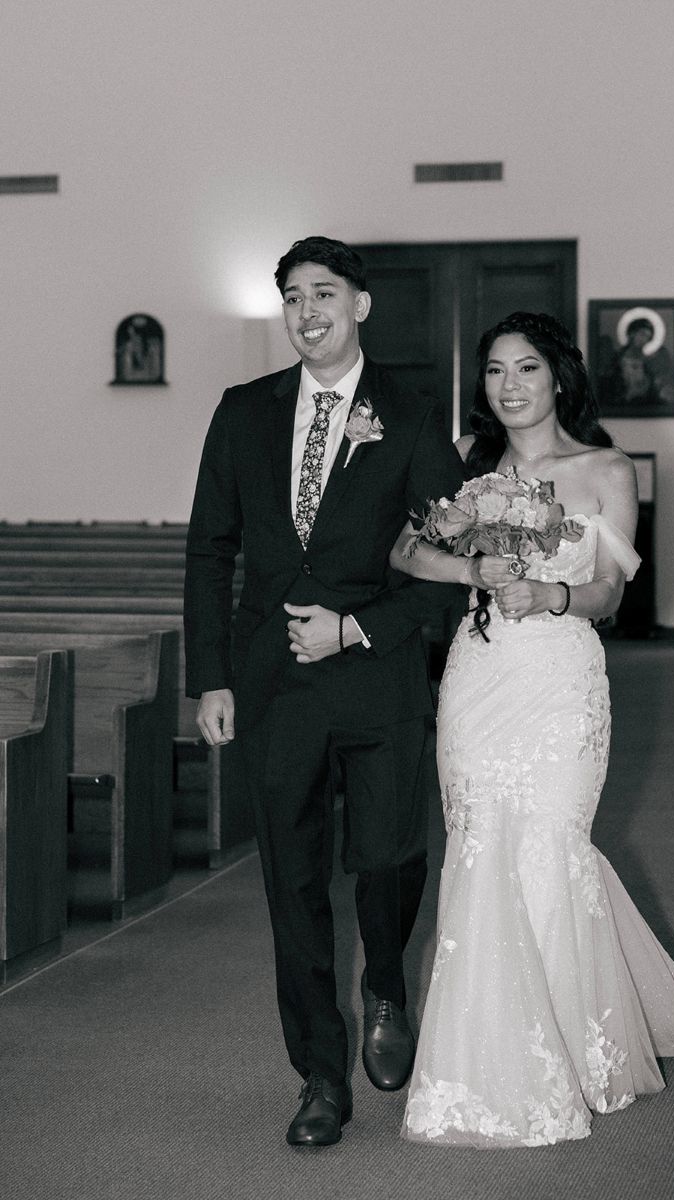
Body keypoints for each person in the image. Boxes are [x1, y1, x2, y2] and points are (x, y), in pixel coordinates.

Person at [389, 311, 674, 1148]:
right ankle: (486, 1059)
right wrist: (473, 568)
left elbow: (610, 594)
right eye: (494, 371)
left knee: (551, 840)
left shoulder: (607, 469)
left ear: (557, 377)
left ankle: (571, 1041)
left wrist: (553, 594)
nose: (510, 386)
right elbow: (404, 551)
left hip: (561, 678)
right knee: (483, 844)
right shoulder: (466, 464)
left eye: (526, 368)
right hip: (480, 678)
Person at [183, 236, 466, 1147]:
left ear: (361, 305)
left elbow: (451, 566)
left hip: (377, 677)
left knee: (386, 859)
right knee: (293, 885)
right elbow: (209, 550)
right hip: (275, 688)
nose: (309, 313)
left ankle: (385, 977)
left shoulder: (413, 417)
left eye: (326, 295)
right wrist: (213, 677)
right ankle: (318, 1077)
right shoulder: (242, 412)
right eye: (294, 298)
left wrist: (354, 626)